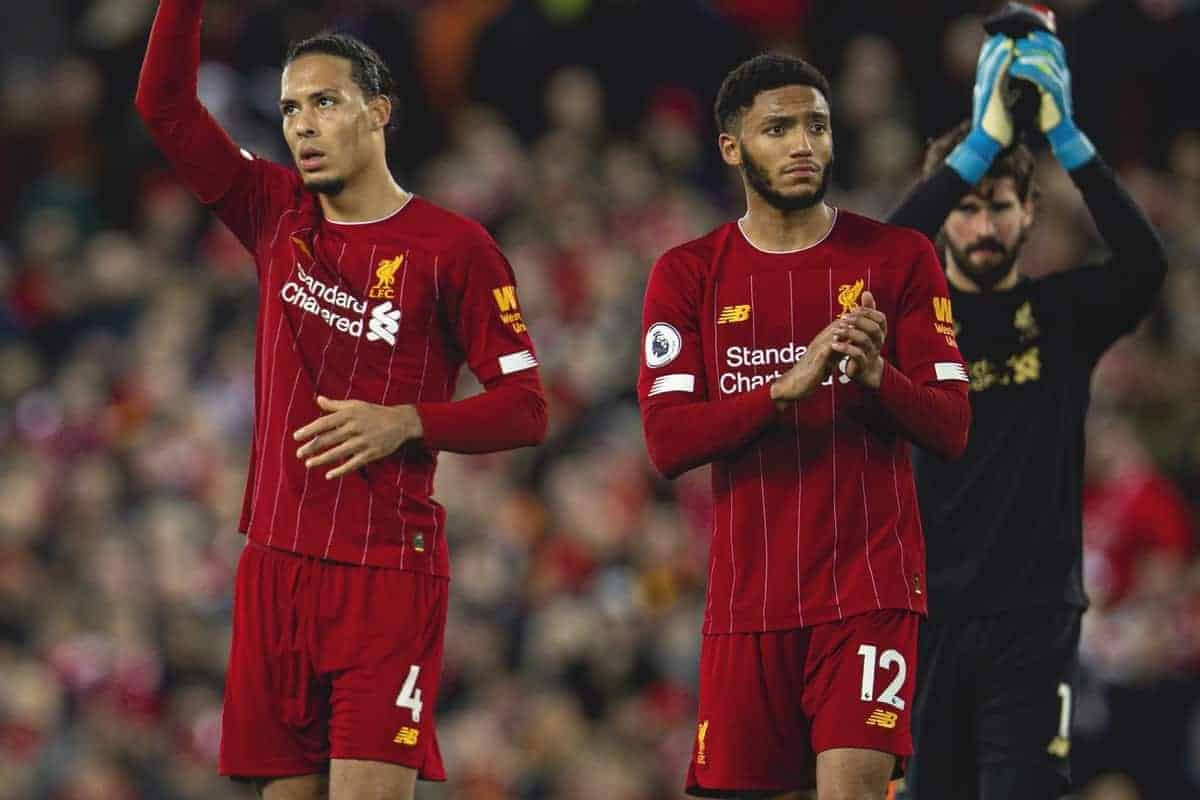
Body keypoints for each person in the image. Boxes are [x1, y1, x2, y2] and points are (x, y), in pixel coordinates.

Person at [135, 2, 547, 798]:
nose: (303, 125)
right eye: (291, 108)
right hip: (273, 569)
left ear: (379, 112)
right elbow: (165, 107)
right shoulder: (273, 211)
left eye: (325, 102)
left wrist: (411, 421)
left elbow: (527, 407)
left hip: (385, 575)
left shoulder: (453, 248)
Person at [638, 53, 972, 800]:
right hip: (746, 604)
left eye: (816, 127)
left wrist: (882, 377)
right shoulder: (688, 274)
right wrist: (780, 393)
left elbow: (952, 427)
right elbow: (667, 442)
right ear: (732, 147)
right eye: (779, 128)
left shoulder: (898, 258)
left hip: (869, 590)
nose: (803, 145)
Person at [886, 31, 1168, 799]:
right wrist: (978, 147)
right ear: (946, 212)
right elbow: (869, 265)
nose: (983, 227)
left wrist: (1068, 138)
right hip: (926, 621)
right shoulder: (910, 316)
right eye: (968, 206)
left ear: (1030, 212)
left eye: (1001, 206)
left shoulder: (1061, 315)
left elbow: (1145, 266)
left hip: (1034, 623)